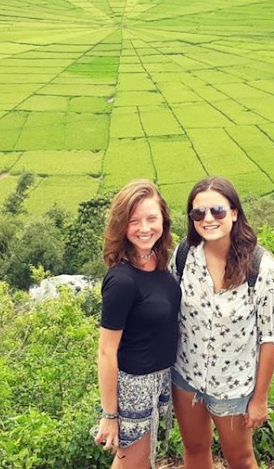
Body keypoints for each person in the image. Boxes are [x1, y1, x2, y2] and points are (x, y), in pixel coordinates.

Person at [170, 176, 274, 469]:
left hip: (233, 386)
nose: (208, 219)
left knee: (241, 460)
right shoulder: (185, 256)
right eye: (199, 213)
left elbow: (272, 338)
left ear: (234, 212)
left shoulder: (261, 267)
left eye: (218, 211)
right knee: (195, 449)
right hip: (187, 377)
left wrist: (260, 398)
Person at [94, 179, 182, 469]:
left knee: (138, 464)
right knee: (134, 465)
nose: (145, 228)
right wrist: (110, 415)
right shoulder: (122, 280)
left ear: (163, 220)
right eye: (134, 221)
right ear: (122, 226)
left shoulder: (160, 262)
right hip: (134, 385)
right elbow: (107, 351)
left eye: (151, 218)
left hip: (159, 378)